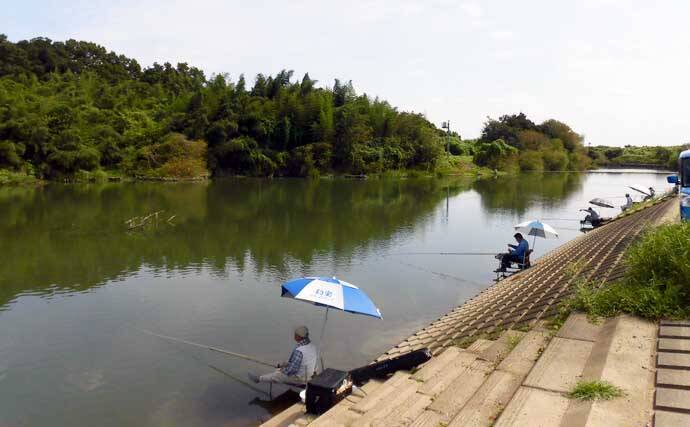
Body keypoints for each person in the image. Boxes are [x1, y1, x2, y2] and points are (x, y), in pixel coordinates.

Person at [248, 326, 318, 386]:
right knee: (283, 368)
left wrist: (282, 370)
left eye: (295, 334)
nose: (294, 335)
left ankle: (258, 379)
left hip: (301, 378)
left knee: (277, 375)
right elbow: (303, 361)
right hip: (309, 374)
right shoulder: (312, 346)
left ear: (298, 336)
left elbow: (292, 369)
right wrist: (286, 364)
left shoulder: (299, 351)